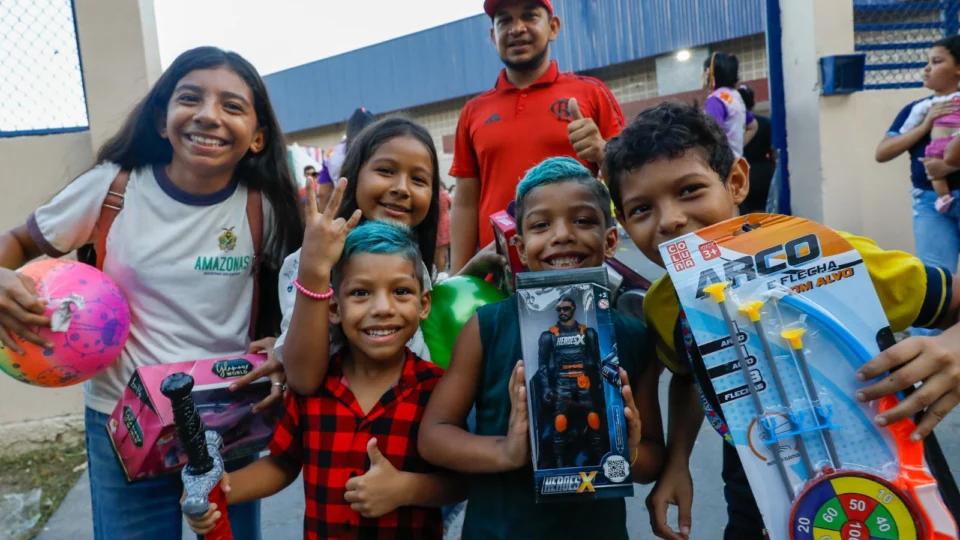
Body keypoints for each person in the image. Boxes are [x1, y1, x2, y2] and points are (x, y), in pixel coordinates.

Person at [604, 101, 960, 540]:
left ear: (735, 181)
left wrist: (953, 346)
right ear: (622, 223)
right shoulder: (664, 303)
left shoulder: (826, 257)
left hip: (892, 482)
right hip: (754, 484)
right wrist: (678, 461)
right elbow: (687, 375)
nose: (671, 220)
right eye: (642, 209)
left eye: (690, 190)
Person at [0, 46, 304, 540]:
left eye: (232, 106)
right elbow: (18, 241)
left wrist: (282, 341)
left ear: (257, 137)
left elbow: (299, 291)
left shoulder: (263, 208)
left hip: (227, 417)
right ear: (163, 121)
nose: (208, 115)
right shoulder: (112, 188)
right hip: (122, 420)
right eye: (190, 98)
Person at [418, 157, 666, 540]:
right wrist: (506, 451)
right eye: (540, 225)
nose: (562, 235)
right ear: (519, 245)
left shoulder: (632, 336)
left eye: (583, 221)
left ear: (611, 240)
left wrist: (628, 448)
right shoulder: (486, 327)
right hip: (497, 530)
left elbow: (651, 459)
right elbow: (434, 435)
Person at [184, 220, 466, 540]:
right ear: (334, 307)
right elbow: (283, 465)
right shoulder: (313, 385)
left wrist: (406, 489)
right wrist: (218, 492)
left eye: (401, 291)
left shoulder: (437, 389)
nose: (383, 308)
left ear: (423, 304)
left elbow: (461, 480)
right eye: (361, 293)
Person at [275, 117, 504, 397]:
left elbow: (431, 307)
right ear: (355, 174)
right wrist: (315, 271)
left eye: (418, 179)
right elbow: (303, 378)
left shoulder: (414, 260)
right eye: (385, 171)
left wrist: (472, 269)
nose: (402, 188)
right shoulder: (309, 262)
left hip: (413, 417)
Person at [448, 0, 625, 273]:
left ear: (553, 27)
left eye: (529, 16)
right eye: (505, 21)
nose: (517, 29)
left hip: (574, 263)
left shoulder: (591, 93)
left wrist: (603, 154)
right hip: (499, 276)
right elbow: (465, 202)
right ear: (494, 36)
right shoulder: (473, 112)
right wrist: (460, 278)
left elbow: (631, 182)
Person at [876, 36, 960, 337]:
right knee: (936, 283)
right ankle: (927, 362)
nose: (926, 69)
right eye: (927, 62)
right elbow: (882, 152)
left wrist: (947, 167)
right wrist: (925, 126)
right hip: (930, 204)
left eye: (936, 62)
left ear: (958, 69)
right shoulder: (918, 108)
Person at [317, 107, 377, 210]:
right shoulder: (380, 149)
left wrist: (325, 220)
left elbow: (323, 194)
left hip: (344, 213)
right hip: (373, 211)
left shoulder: (331, 154)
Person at [702, 52, 758, 159]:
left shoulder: (714, 100)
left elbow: (714, 136)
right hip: (739, 165)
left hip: (724, 168)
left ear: (708, 72)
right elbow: (753, 126)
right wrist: (736, 149)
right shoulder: (735, 96)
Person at [737, 85, 775, 214]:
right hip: (765, 173)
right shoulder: (766, 122)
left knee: (746, 219)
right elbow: (773, 152)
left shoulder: (734, 126)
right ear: (753, 103)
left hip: (743, 174)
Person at [436, 186, 452, 272]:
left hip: (434, 223)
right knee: (442, 253)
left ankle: (435, 273)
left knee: (435, 253)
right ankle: (440, 273)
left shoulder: (432, 194)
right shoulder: (445, 195)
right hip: (445, 223)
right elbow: (452, 205)